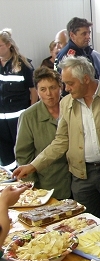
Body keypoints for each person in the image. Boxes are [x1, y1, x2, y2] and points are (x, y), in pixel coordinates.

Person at [12, 56, 100, 232]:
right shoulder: (67, 103)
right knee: (88, 229)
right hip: (81, 177)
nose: (65, 88)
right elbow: (60, 142)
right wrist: (33, 166)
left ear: (86, 79)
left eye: (69, 83)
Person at [15, 68, 71, 199]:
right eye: (43, 89)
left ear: (61, 87)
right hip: (48, 184)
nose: (49, 94)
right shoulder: (28, 116)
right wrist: (32, 188)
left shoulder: (72, 107)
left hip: (77, 180)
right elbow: (23, 155)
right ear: (37, 91)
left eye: (53, 88)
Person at [0, 30, 37, 169]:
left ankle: (24, 179)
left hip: (18, 118)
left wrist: (30, 111)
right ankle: (9, 177)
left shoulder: (23, 65)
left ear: (9, 45)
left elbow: (33, 90)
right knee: (5, 154)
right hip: (1, 121)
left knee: (22, 151)